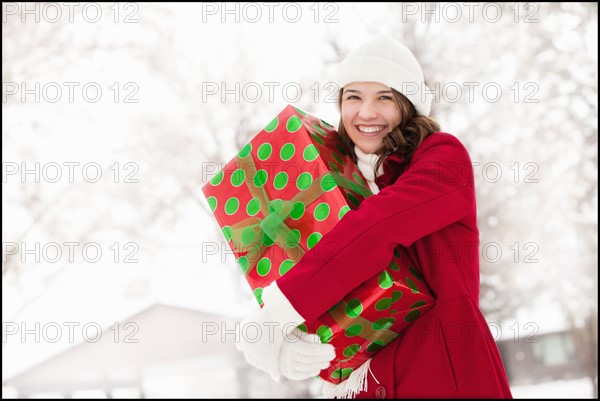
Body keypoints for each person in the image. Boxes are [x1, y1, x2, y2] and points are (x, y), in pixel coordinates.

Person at [235, 32, 513, 399]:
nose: (366, 113)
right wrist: (290, 342)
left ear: (408, 104)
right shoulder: (335, 180)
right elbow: (339, 292)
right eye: (353, 97)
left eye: (384, 97)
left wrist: (278, 312)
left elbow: (377, 228)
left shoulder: (443, 159)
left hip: (446, 378)